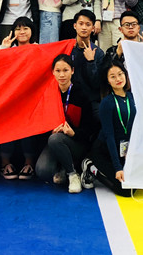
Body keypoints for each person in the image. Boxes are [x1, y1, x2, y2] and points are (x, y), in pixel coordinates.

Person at [36, 54, 95, 194]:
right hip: (55, 141)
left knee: (55, 139)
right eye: (58, 71)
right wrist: (50, 131)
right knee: (42, 171)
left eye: (65, 70)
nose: (62, 75)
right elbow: (39, 124)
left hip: (77, 143)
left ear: (72, 71)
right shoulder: (48, 94)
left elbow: (91, 129)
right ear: (52, 72)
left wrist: (74, 133)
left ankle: (72, 174)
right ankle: (63, 167)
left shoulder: (82, 94)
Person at [82, 63, 136, 195]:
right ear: (108, 81)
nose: (118, 79)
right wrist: (118, 168)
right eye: (113, 76)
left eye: (120, 74)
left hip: (124, 150)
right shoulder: (107, 102)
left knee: (137, 183)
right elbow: (109, 136)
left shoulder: (132, 97)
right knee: (126, 191)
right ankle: (91, 167)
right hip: (104, 151)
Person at [0, 16, 41, 181]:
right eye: (18, 29)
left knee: (28, 128)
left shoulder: (38, 49)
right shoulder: (7, 49)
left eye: (25, 28)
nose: (22, 32)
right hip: (9, 99)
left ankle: (28, 163)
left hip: (30, 99)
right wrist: (4, 49)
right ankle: (5, 164)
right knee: (6, 126)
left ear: (32, 31)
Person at [70, 10, 105, 107]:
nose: (84, 27)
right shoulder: (67, 48)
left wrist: (91, 62)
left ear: (93, 28)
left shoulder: (98, 53)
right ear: (75, 26)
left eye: (88, 24)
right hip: (71, 99)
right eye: (81, 24)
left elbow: (97, 84)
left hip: (91, 101)